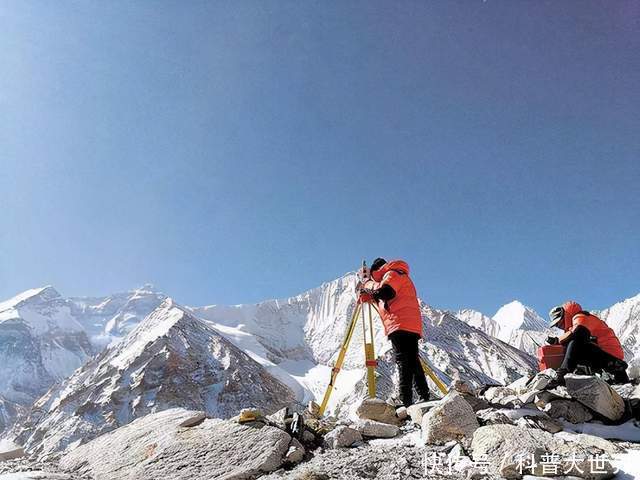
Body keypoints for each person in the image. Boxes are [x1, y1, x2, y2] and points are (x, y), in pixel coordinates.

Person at [357, 258, 430, 407]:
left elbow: (385, 292)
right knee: (412, 361)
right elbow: (384, 295)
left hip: (399, 323)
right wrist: (371, 289)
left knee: (403, 361)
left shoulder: (392, 274)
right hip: (409, 324)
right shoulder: (399, 274)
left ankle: (406, 401)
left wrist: (367, 283)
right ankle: (424, 395)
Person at [547, 300, 629, 385]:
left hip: (610, 356)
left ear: (565, 315)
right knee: (571, 345)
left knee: (575, 342)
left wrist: (557, 340)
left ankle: (562, 375)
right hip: (605, 355)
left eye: (559, 323)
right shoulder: (575, 323)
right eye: (556, 325)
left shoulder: (581, 317)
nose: (559, 326)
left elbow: (577, 332)